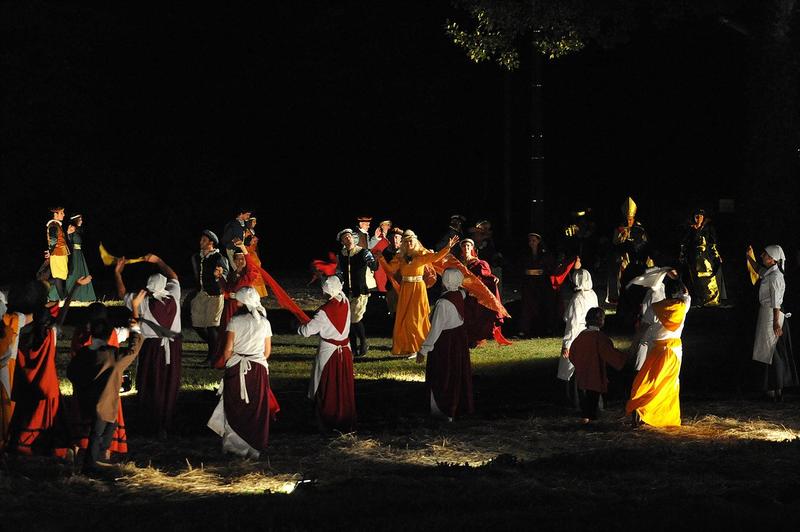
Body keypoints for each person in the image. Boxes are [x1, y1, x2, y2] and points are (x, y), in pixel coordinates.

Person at [8, 275, 90, 456]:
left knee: (23, 414)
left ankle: (20, 444)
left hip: (23, 382)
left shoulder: (16, 329)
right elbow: (61, 316)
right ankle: (53, 447)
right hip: (47, 383)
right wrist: (75, 288)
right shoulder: (50, 331)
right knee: (53, 419)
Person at [67, 304, 144, 473]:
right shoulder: (113, 356)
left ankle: (96, 457)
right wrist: (136, 329)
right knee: (98, 432)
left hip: (86, 398)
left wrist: (82, 384)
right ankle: (91, 463)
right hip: (104, 401)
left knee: (108, 425)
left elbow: (71, 371)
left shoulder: (84, 351)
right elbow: (133, 350)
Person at [115, 253, 181, 438]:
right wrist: (159, 261)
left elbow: (122, 294)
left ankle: (152, 422)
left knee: (151, 383)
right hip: (173, 347)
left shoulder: (142, 302)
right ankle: (166, 422)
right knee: (169, 383)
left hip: (152, 348)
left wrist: (118, 273)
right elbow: (173, 276)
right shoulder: (174, 295)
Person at [207, 287, 272, 458]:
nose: (236, 303)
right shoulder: (265, 323)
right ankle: (253, 445)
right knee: (255, 406)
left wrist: (231, 363)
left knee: (235, 405)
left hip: (237, 367)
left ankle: (234, 446)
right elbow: (266, 352)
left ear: (242, 302)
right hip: (258, 370)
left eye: (238, 300)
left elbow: (228, 350)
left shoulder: (235, 321)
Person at [378, 231, 458, 356]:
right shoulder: (400, 257)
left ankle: (417, 346)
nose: (409, 243)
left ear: (415, 241)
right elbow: (390, 270)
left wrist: (447, 247)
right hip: (405, 289)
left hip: (418, 290)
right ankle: (410, 346)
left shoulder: (421, 255)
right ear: (403, 243)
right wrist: (381, 258)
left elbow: (436, 257)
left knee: (416, 318)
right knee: (405, 318)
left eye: (411, 241)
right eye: (406, 241)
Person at [626, 276, 690, 427]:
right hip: (675, 351)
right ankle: (665, 417)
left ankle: (641, 411)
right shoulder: (684, 304)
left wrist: (634, 345)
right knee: (669, 384)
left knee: (647, 382)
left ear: (665, 292)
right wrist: (675, 276)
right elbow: (686, 293)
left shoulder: (654, 308)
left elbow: (642, 328)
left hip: (656, 350)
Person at [298, 276, 356, 432]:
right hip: (345, 350)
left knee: (327, 385)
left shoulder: (323, 312)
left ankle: (328, 418)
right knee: (343, 385)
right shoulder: (345, 302)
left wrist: (299, 326)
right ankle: (344, 415)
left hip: (328, 353)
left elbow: (307, 331)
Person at [417, 268, 473, 421]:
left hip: (445, 343)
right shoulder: (460, 295)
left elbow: (436, 328)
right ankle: (458, 405)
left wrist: (424, 350)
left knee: (443, 374)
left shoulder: (443, 303)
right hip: (458, 341)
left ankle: (443, 408)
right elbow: (464, 292)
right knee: (456, 373)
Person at [748, 245, 796, 401]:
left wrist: (776, 323)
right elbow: (757, 269)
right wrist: (749, 257)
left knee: (772, 353)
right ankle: (772, 389)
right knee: (766, 352)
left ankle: (775, 390)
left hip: (772, 314)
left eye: (765, 254)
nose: (762, 256)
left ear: (772, 259)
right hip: (767, 313)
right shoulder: (770, 272)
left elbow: (776, 302)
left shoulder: (775, 276)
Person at [567, 307, 627, 423]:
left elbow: (573, 353)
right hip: (595, 372)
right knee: (593, 396)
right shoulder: (599, 337)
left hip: (583, 372)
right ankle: (590, 417)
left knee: (585, 396)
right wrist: (623, 358)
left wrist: (579, 364)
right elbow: (609, 353)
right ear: (601, 321)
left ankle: (586, 416)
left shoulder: (581, 336)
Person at [211, 243, 261, 367]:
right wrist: (219, 278)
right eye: (237, 259)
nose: (240, 261)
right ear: (233, 260)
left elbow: (250, 265)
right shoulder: (232, 274)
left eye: (242, 258)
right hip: (229, 307)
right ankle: (223, 358)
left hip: (241, 307)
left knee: (238, 332)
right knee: (226, 331)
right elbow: (227, 289)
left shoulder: (248, 274)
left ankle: (237, 358)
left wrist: (243, 248)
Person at [336, 228, 378, 357]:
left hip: (360, 290)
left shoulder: (363, 252)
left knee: (355, 318)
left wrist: (373, 260)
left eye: (349, 236)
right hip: (346, 291)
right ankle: (353, 347)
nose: (348, 239)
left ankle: (363, 343)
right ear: (342, 241)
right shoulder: (341, 254)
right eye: (345, 238)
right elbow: (339, 272)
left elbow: (374, 267)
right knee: (348, 321)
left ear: (354, 238)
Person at [0, 291, 33, 451]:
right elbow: (33, 317)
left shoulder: (12, 320)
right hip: (6, 368)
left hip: (7, 366)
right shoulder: (13, 320)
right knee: (6, 404)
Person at [557, 265, 599, 389]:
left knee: (570, 366)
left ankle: (571, 393)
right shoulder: (593, 294)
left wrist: (567, 344)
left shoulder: (577, 298)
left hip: (577, 334)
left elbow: (573, 323)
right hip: (590, 333)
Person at [191, 230, 229, 363]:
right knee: (197, 324)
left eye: (204, 240)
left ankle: (212, 357)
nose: (201, 242)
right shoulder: (197, 257)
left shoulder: (218, 257)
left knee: (212, 326)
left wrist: (220, 274)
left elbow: (225, 274)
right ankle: (216, 345)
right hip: (202, 293)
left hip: (215, 294)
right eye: (201, 240)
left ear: (211, 243)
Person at [458, 238, 501, 347]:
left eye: (468, 246)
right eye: (464, 246)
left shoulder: (478, 263)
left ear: (472, 248)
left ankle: (475, 339)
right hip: (462, 291)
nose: (466, 248)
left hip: (474, 293)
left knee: (474, 315)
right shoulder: (458, 263)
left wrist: (493, 278)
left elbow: (485, 274)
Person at [608, 197, 649, 305]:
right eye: (626, 219)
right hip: (623, 258)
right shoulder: (620, 228)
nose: (628, 221)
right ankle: (618, 297)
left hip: (636, 257)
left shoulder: (639, 228)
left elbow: (643, 243)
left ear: (633, 218)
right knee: (618, 273)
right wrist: (622, 238)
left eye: (630, 219)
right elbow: (615, 243)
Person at [680, 209, 723, 307]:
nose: (698, 218)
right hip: (693, 257)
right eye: (696, 216)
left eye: (700, 216)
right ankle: (699, 299)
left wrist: (716, 255)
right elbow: (684, 244)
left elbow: (712, 244)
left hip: (706, 257)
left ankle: (711, 300)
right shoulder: (689, 229)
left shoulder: (708, 228)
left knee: (708, 277)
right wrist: (682, 256)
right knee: (695, 279)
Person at [519, 233, 556, 337]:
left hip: (542, 283)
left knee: (543, 305)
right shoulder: (525, 254)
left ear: (539, 241)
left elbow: (550, 267)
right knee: (528, 306)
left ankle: (545, 329)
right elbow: (521, 267)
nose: (531, 243)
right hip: (529, 283)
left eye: (534, 240)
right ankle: (525, 329)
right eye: (530, 241)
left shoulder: (545, 254)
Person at [64, 214, 96, 302]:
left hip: (79, 254)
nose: (81, 221)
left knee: (80, 272)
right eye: (80, 219)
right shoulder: (71, 227)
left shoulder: (78, 229)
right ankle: (69, 294)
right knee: (73, 273)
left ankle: (81, 295)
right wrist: (68, 234)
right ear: (75, 220)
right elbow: (67, 240)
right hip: (74, 254)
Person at [46, 206, 73, 302]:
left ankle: (40, 285)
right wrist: (50, 252)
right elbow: (53, 241)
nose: (64, 215)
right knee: (59, 276)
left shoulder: (56, 225)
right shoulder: (53, 225)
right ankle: (63, 298)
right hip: (58, 254)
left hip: (60, 253)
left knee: (60, 276)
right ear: (55, 214)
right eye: (61, 213)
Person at [243, 216, 268, 298]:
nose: (255, 223)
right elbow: (246, 243)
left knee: (257, 270)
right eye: (253, 222)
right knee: (253, 270)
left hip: (253, 252)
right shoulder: (246, 232)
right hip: (248, 252)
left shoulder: (252, 231)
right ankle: (253, 291)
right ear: (249, 222)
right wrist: (251, 241)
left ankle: (259, 292)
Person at [382, 227, 404, 314]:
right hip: (391, 285)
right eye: (391, 237)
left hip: (404, 284)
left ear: (401, 239)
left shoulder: (406, 251)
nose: (394, 240)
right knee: (394, 310)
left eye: (396, 237)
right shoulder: (385, 253)